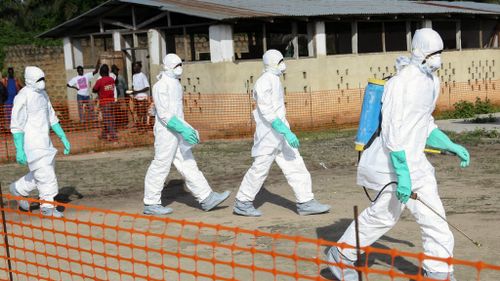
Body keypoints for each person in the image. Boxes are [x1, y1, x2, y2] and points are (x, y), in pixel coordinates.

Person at [326, 29, 469, 281]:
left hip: (418, 165)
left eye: (440, 53)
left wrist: (450, 145)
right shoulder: (399, 83)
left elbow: (425, 123)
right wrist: (402, 174)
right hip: (391, 164)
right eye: (434, 53)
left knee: (435, 218)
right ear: (420, 52)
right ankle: (341, 255)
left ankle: (439, 272)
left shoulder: (432, 81)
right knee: (383, 216)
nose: (439, 58)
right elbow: (393, 132)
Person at [233, 49, 330, 217]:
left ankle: (305, 202)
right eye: (280, 61)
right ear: (272, 63)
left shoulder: (274, 79)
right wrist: (285, 131)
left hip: (281, 132)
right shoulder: (264, 82)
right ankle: (243, 202)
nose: (283, 64)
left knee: (296, 165)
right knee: (260, 169)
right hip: (268, 135)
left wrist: (286, 131)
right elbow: (267, 111)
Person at [143, 53, 230, 215]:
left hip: (177, 130)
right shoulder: (160, 85)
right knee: (161, 164)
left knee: (188, 163)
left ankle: (206, 197)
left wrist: (185, 128)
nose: (180, 68)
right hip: (166, 132)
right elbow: (164, 114)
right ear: (167, 66)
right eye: (176, 65)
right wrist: (182, 128)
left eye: (180, 64)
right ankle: (150, 202)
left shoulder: (175, 84)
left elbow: (172, 110)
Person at [9, 66, 71, 218]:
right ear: (30, 80)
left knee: (41, 173)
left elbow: (51, 117)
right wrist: (19, 149)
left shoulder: (43, 94)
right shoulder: (23, 97)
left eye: (43, 79)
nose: (42, 82)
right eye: (39, 79)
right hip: (32, 144)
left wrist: (63, 137)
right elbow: (16, 125)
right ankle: (47, 207)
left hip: (45, 143)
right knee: (46, 176)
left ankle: (18, 188)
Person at [93, 64, 118, 142]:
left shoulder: (100, 81)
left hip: (104, 103)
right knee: (111, 119)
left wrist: (99, 90)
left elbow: (94, 90)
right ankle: (104, 135)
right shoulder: (111, 79)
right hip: (112, 102)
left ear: (100, 72)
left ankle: (113, 136)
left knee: (107, 120)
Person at [132, 62, 150, 131]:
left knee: (143, 112)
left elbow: (147, 87)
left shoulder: (143, 76)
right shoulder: (134, 76)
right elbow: (134, 86)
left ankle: (144, 127)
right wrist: (133, 91)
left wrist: (137, 91)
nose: (134, 68)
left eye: (136, 66)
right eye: (134, 66)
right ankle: (140, 127)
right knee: (138, 113)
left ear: (140, 67)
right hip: (136, 97)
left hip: (142, 97)